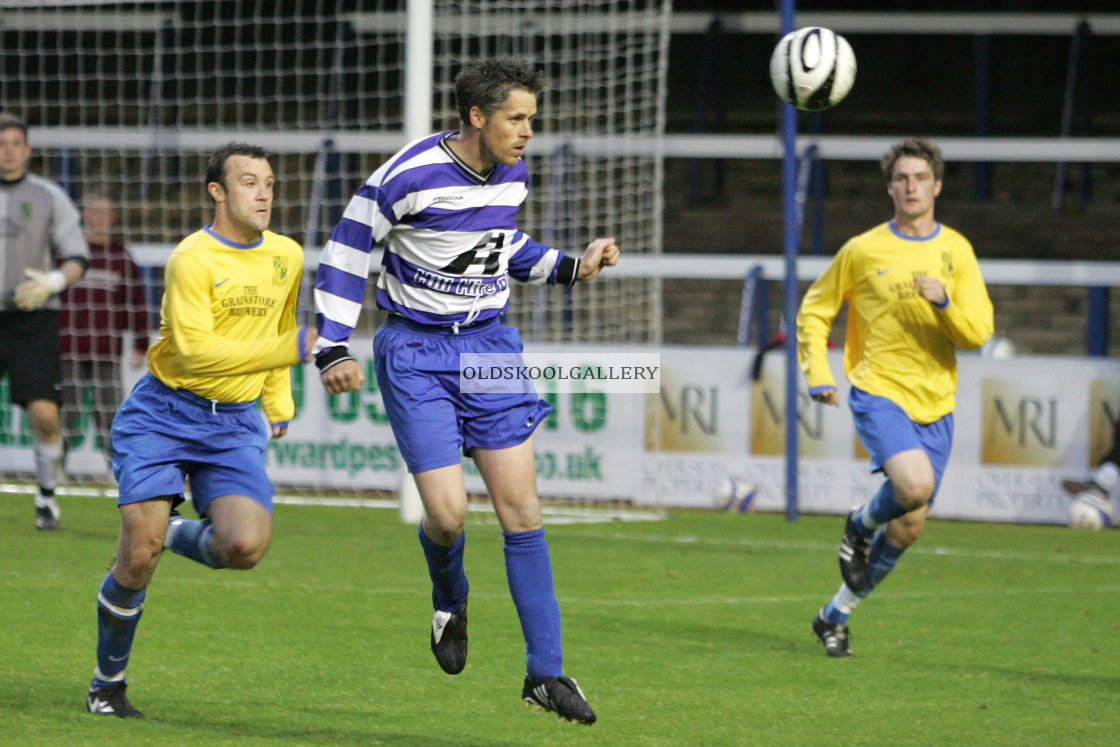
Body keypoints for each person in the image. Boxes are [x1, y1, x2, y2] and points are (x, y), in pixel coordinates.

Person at [313, 56, 618, 725]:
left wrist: (574, 266)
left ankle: (547, 672)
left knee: (523, 509)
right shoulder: (406, 174)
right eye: (517, 118)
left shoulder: (513, 172)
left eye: (533, 119)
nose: (528, 131)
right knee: (448, 515)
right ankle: (449, 597)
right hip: (417, 351)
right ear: (477, 117)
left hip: (489, 345)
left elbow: (501, 246)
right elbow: (345, 250)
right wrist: (331, 344)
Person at [86, 143, 317, 717]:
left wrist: (277, 398)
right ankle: (106, 686)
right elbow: (192, 354)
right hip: (164, 413)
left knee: (244, 546)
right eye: (248, 182)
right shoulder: (192, 258)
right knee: (138, 558)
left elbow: (280, 319)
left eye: (269, 181)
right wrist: (289, 350)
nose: (263, 192)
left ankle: (171, 529)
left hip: (235, 423)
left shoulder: (286, 254)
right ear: (217, 191)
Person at [796, 137, 994, 657]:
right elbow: (815, 310)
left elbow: (978, 334)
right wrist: (818, 372)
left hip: (937, 401)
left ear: (937, 186)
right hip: (878, 388)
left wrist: (945, 302)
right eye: (902, 178)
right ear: (890, 187)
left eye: (920, 178)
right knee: (914, 484)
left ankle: (834, 615)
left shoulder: (957, 252)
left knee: (908, 525)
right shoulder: (863, 250)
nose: (911, 187)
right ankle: (859, 523)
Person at [0, 112, 90, 530]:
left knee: (45, 415)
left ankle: (47, 497)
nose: (8, 150)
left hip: (30, 319)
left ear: (28, 150)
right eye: (2, 142)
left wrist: (53, 280)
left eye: (15, 142)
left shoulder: (49, 197)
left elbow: (77, 257)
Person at [59, 189, 150, 467]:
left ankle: (120, 476)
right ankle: (52, 473)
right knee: (65, 416)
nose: (96, 218)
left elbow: (136, 302)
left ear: (113, 217)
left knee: (112, 418)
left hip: (106, 351)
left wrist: (140, 343)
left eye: (103, 212)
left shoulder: (120, 257)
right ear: (83, 214)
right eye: (91, 211)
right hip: (67, 350)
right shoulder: (67, 253)